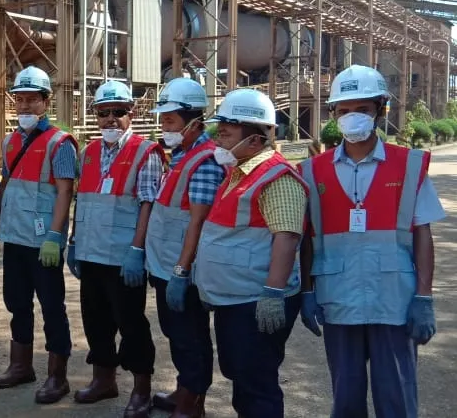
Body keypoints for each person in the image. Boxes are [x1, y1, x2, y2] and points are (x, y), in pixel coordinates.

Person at [298, 64, 443, 418]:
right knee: (345, 397)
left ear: (381, 110)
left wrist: (424, 296)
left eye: (362, 109)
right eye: (344, 110)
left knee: (396, 397)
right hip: (338, 297)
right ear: (333, 114)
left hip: (393, 298)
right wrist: (307, 291)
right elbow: (307, 238)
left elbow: (422, 234)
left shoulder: (408, 165)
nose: (353, 117)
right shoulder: (311, 170)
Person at [194, 88, 308, 418]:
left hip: (256, 301)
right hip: (235, 299)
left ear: (256, 139)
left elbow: (287, 237)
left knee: (257, 383)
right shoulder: (239, 171)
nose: (219, 136)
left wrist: (273, 293)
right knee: (241, 376)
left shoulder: (276, 177)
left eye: (227, 131)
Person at [67, 80, 166, 416]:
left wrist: (137, 250)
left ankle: (141, 389)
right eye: (104, 112)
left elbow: (147, 204)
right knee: (95, 320)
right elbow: (82, 200)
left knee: (131, 323)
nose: (110, 118)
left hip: (123, 258)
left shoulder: (145, 152)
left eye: (118, 112)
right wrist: (73, 242)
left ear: (131, 114)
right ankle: (104, 380)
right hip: (91, 252)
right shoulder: (88, 153)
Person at [0, 65, 78, 404]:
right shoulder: (9, 141)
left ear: (46, 101)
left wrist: (55, 236)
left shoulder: (60, 144)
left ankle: (58, 377)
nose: (25, 106)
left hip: (43, 244)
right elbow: (6, 185)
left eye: (32, 99)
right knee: (17, 303)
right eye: (20, 99)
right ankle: (21, 366)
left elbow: (65, 191)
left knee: (52, 306)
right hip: (15, 239)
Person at [144, 78, 224, 417]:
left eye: (170, 120)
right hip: (166, 263)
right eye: (163, 120)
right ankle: (184, 389)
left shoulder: (205, 161)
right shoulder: (180, 155)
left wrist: (182, 270)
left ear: (194, 122)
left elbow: (198, 221)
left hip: (182, 268)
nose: (165, 127)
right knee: (175, 332)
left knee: (191, 336)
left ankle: (194, 401)